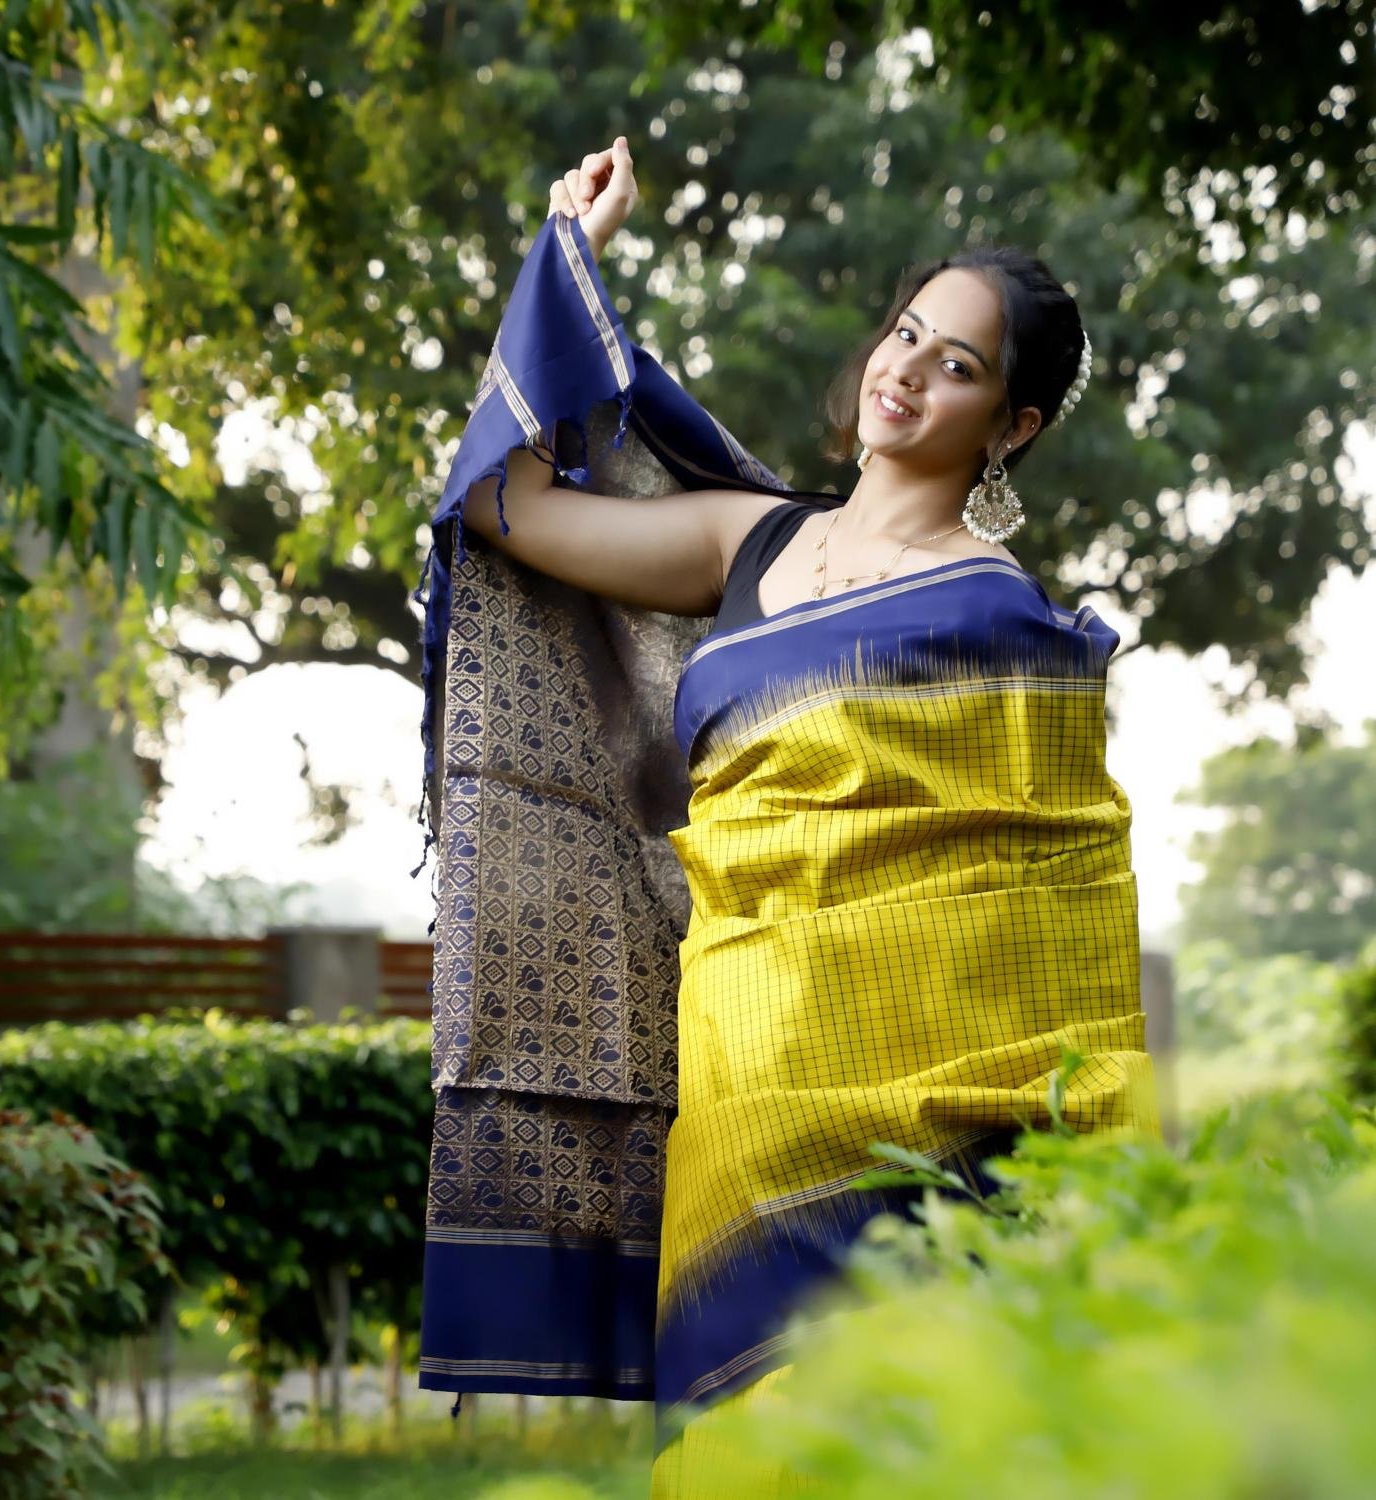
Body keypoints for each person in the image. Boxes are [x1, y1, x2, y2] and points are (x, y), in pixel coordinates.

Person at [413, 137, 1160, 1498]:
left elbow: (1044, 912)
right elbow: (496, 504)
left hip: (932, 1135)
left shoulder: (1000, 616)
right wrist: (570, 258)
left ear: (1013, 429)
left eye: (961, 366)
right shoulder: (744, 542)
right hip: (743, 1096)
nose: (910, 369)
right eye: (908, 331)